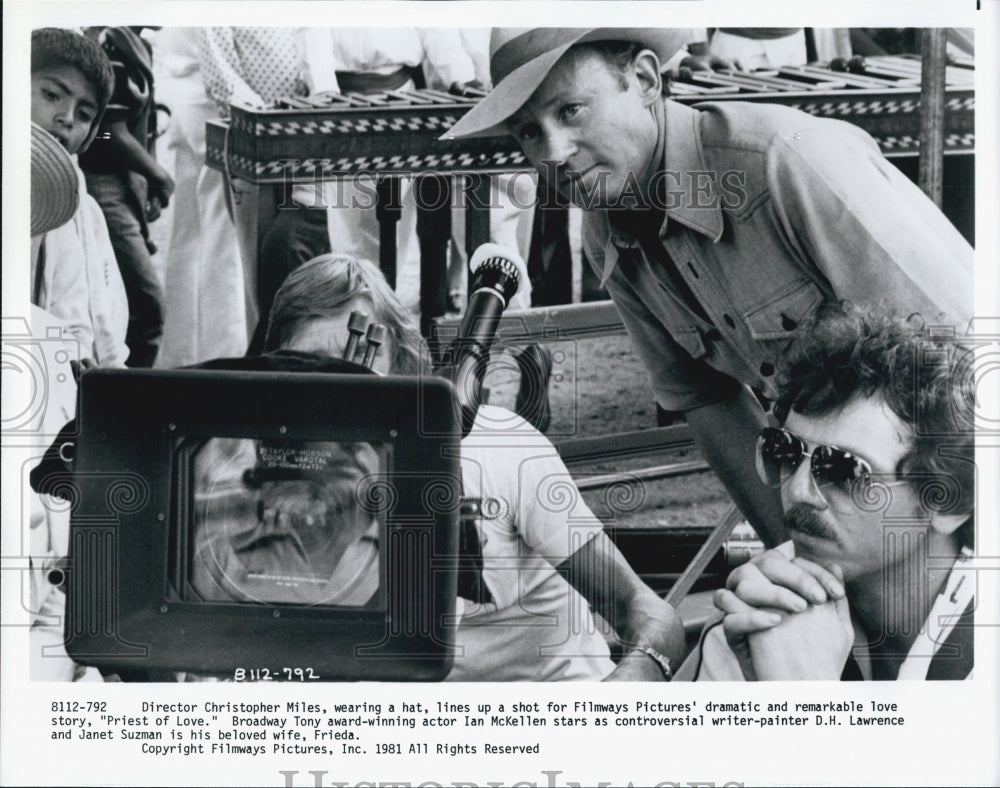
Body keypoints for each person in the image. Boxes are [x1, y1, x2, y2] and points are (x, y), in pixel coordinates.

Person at [444, 28, 973, 549]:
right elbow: (706, 400)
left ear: (647, 79)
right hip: (854, 504)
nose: (553, 153)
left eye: (571, 111)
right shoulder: (605, 232)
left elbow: (965, 352)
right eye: (528, 133)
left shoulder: (783, 161)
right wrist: (798, 559)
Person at [232, 253, 685, 681]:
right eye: (313, 373)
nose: (339, 404)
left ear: (404, 369)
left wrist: (627, 691)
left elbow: (644, 610)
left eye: (361, 373)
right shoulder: (258, 481)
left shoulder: (500, 449)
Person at [692, 302, 974, 680]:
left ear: (948, 503)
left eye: (843, 470)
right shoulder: (764, 599)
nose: (799, 490)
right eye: (786, 453)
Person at [31, 27, 129, 367]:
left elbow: (71, 304)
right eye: (51, 95)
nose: (66, 118)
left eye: (85, 115)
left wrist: (75, 356)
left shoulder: (73, 210)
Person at [79, 26, 174, 368]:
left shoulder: (135, 44)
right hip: (102, 183)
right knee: (146, 308)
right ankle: (129, 403)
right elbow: (108, 133)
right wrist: (157, 175)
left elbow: (129, 129)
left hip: (121, 182)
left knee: (131, 307)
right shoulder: (110, 46)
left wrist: (146, 178)